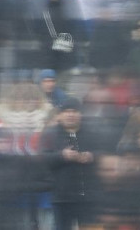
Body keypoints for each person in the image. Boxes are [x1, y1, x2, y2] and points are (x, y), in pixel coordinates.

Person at [40, 97, 97, 230]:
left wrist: (91, 156)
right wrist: (62, 156)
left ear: (80, 114)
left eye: (74, 111)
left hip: (88, 198)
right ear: (60, 115)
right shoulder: (50, 134)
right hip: (62, 198)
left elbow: (104, 154)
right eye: (67, 111)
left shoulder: (91, 133)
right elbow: (42, 159)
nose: (70, 114)